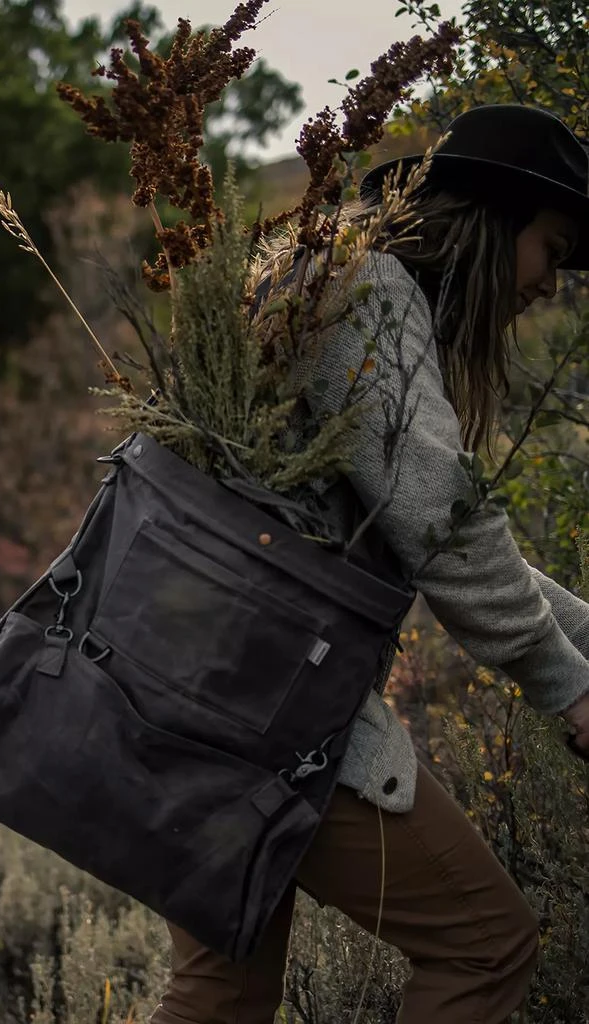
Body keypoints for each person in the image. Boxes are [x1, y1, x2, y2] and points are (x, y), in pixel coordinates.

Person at [149, 104, 589, 1024]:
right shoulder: (367, 288)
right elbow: (441, 525)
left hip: (194, 677)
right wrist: (568, 689)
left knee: (221, 992)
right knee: (483, 945)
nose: (551, 282)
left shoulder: (330, 276)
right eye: (553, 246)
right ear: (492, 222)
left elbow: (417, 530)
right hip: (261, 707)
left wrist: (579, 639)